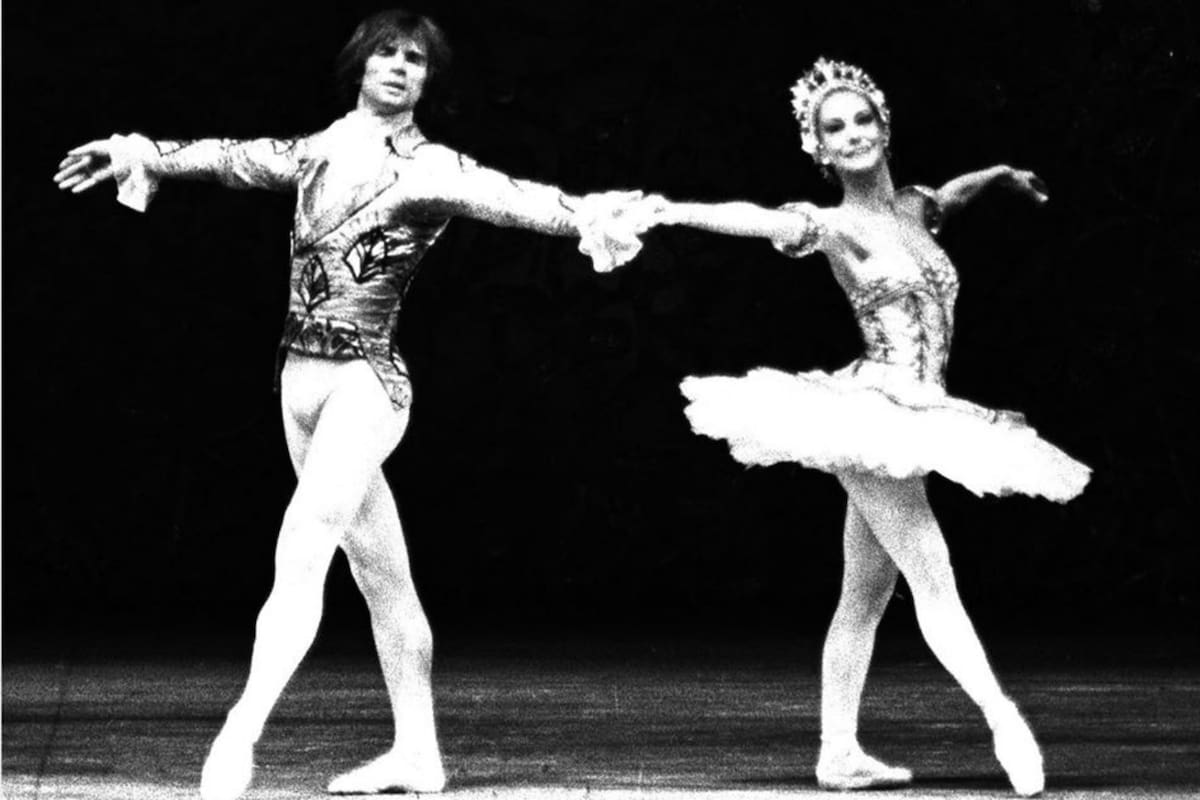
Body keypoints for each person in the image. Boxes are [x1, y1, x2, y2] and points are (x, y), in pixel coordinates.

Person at [54, 9, 646, 800]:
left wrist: (592, 215)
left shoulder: (432, 167)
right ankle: (418, 754)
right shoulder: (319, 149)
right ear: (359, 64)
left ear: (428, 81)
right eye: (388, 53)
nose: (401, 66)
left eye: (417, 60)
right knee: (384, 580)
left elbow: (521, 200)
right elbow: (230, 158)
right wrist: (141, 154)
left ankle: (241, 732)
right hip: (297, 383)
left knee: (305, 543)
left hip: (367, 383)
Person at [630, 58, 1090, 796]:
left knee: (864, 594)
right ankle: (1002, 717)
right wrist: (673, 210)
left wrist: (999, 172)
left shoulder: (913, 210)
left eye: (860, 119)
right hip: (873, 413)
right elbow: (763, 219)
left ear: (883, 124)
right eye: (831, 127)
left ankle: (837, 753)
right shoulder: (835, 224)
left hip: (927, 407)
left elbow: (949, 195)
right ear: (817, 149)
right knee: (931, 573)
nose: (850, 135)